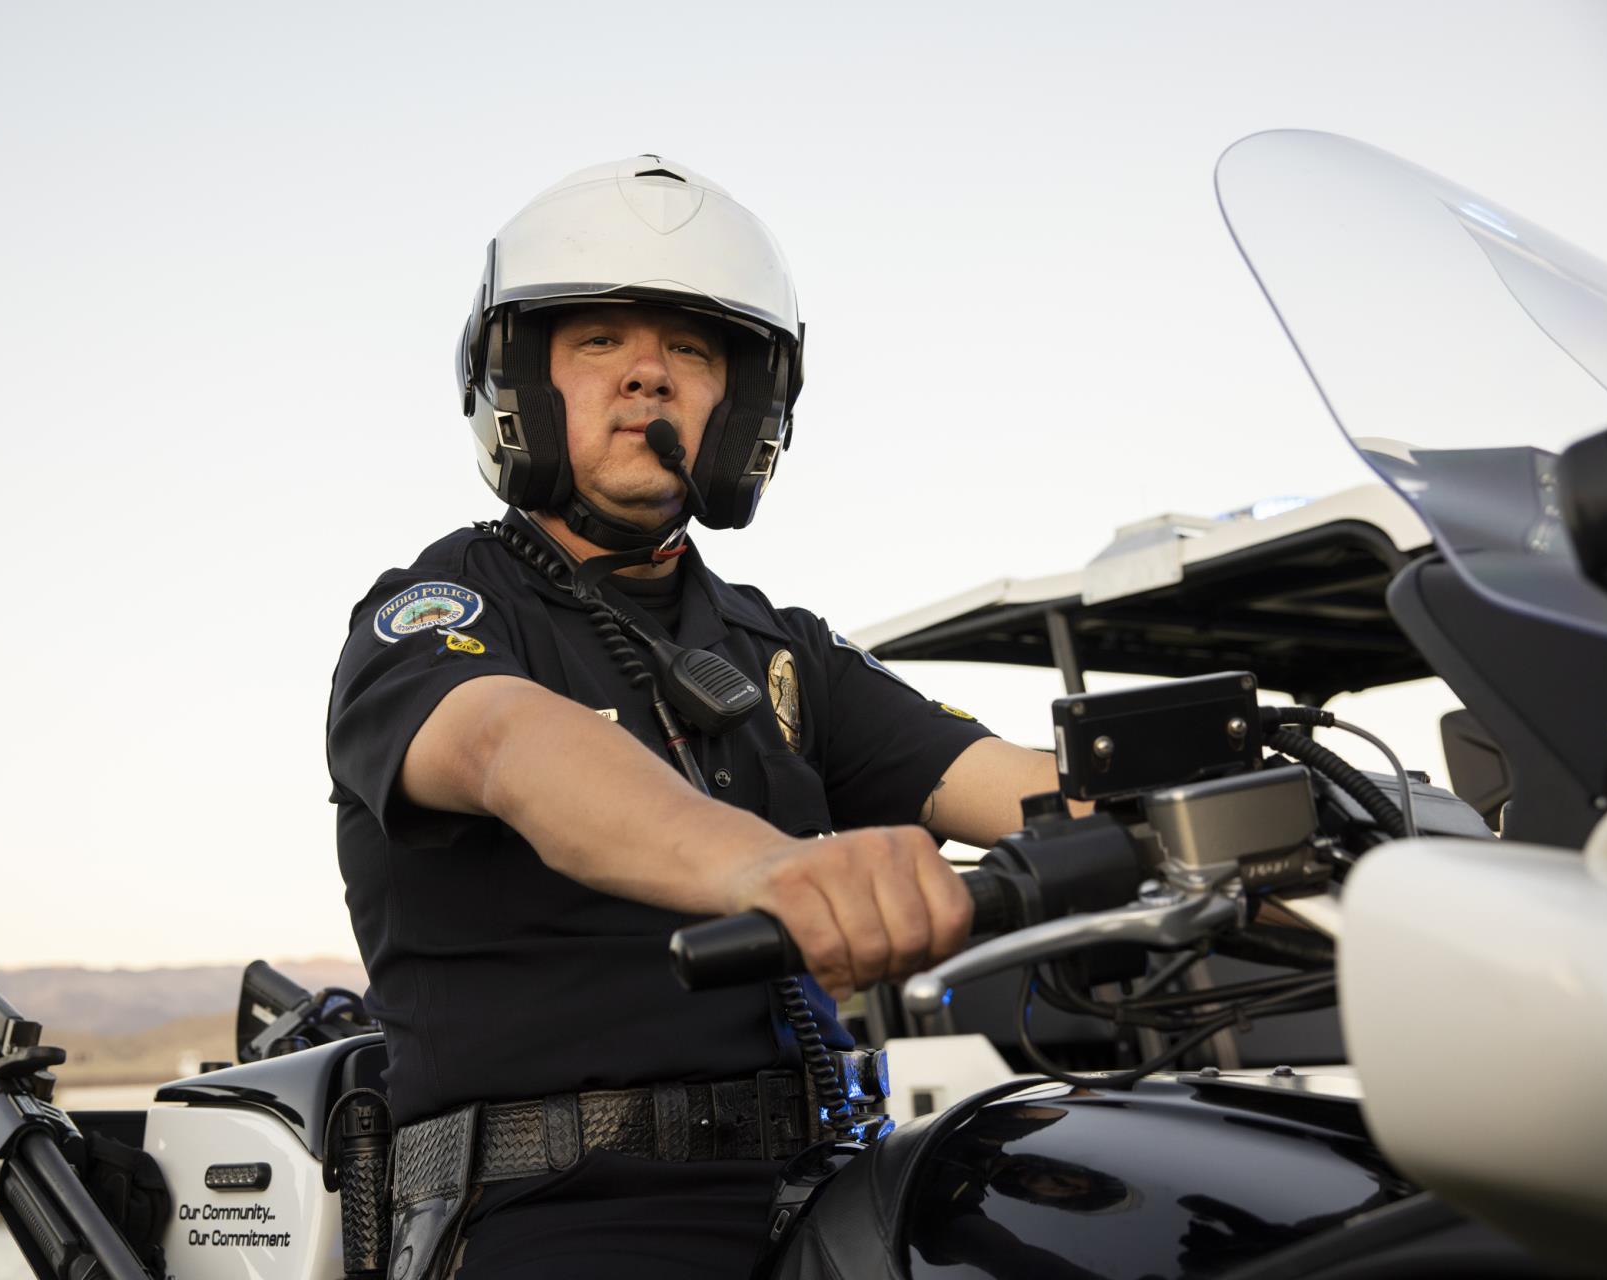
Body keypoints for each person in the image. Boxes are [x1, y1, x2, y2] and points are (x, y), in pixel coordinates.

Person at [326, 156, 1070, 1279]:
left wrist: (1242, 817)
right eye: (597, 343)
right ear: (519, 382)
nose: (648, 377)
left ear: (745, 403)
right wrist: (772, 869)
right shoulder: (440, 611)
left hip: (820, 1176)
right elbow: (509, 744)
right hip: (562, 1207)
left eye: (690, 348)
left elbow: (999, 774)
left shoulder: (780, 647)